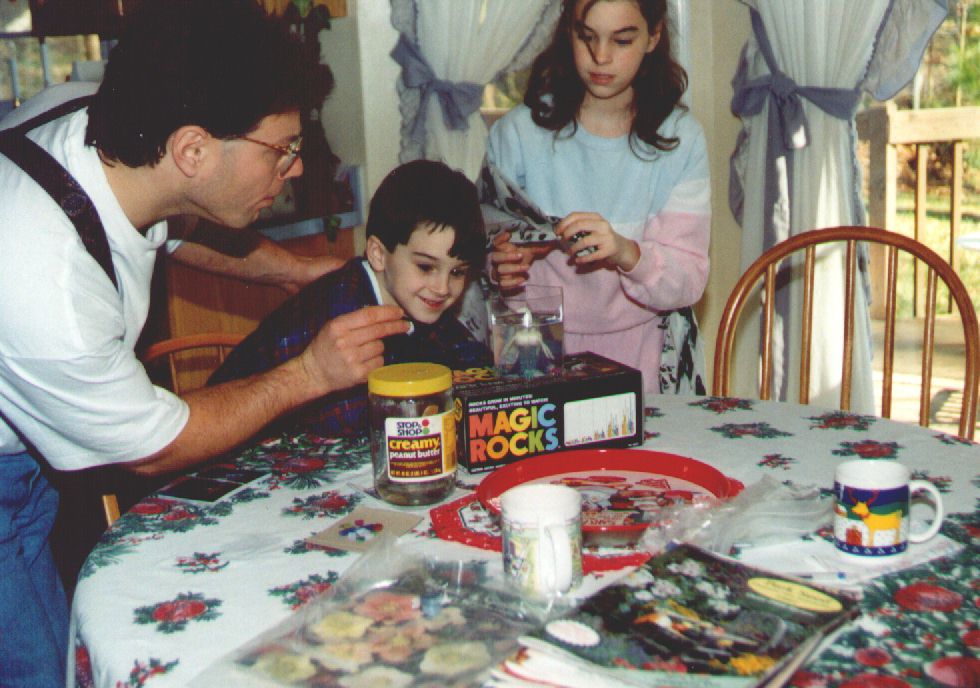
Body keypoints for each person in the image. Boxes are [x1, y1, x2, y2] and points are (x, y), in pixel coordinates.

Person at [0, 1, 407, 685]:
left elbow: (171, 222)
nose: (295, 169)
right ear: (193, 150)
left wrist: (292, 270)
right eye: (282, 150)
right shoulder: (49, 286)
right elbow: (157, 447)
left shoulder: (99, 125)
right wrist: (310, 373)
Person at [487, 0, 710, 397]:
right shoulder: (517, 133)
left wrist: (627, 253)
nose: (601, 57)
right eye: (585, 36)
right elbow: (480, 257)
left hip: (643, 353)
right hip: (533, 351)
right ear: (567, 32)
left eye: (622, 40)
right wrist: (499, 266)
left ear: (653, 37)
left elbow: (688, 280)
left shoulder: (681, 139)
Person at [210, 159, 493, 436]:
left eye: (457, 272)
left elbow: (471, 361)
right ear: (378, 254)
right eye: (425, 267)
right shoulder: (343, 308)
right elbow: (347, 419)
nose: (442, 287)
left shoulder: (415, 297)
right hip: (230, 438)